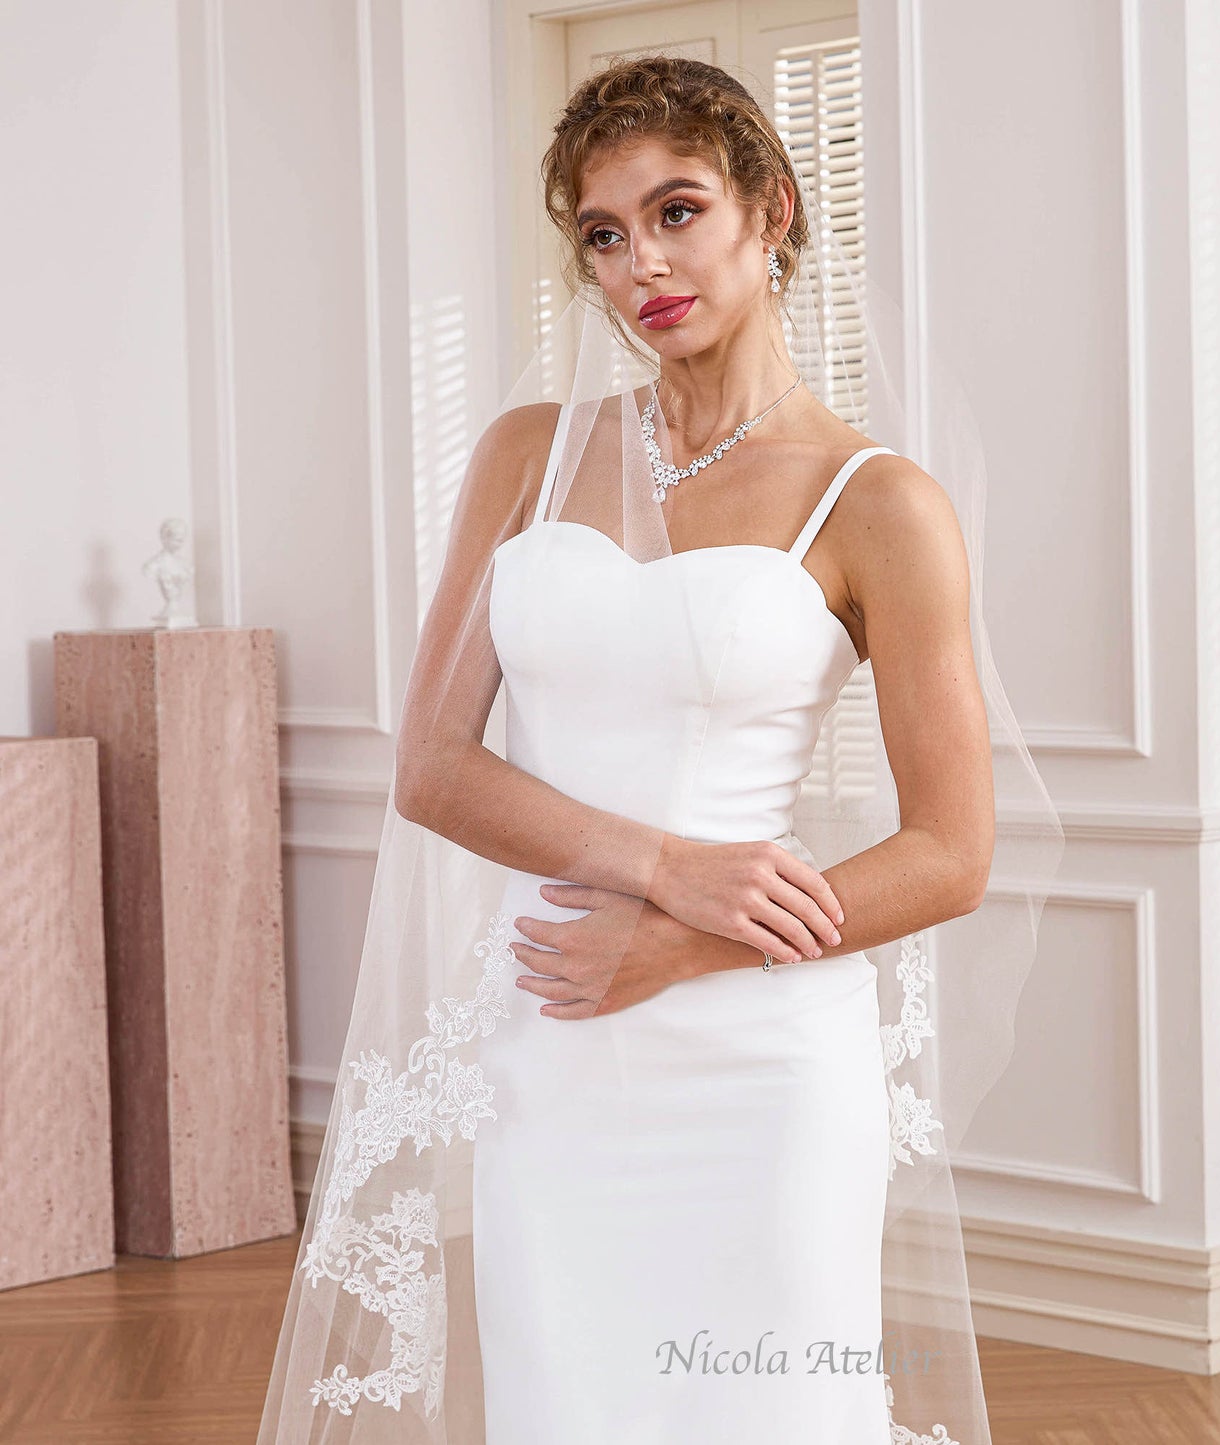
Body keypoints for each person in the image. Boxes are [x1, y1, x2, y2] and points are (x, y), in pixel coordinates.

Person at [256, 54, 1062, 1445]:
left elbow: (952, 851)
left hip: (761, 1063)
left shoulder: (877, 503)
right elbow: (431, 766)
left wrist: (692, 937)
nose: (643, 265)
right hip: (554, 1037)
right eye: (604, 234)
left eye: (678, 210)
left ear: (772, 208)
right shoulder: (526, 454)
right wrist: (666, 871)